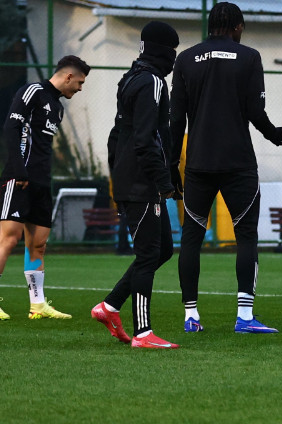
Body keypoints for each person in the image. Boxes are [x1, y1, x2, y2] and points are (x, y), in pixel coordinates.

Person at [171, 2, 282, 334]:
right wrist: (275, 135)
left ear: (210, 26)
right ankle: (245, 317)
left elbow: (175, 119)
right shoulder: (249, 57)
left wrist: (170, 163)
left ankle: (190, 317)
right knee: (246, 236)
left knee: (192, 238)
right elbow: (255, 109)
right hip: (238, 162)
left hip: (197, 163)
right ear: (236, 27)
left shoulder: (185, 59)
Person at [0, 55, 90, 321]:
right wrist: (18, 169)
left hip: (41, 182)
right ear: (68, 76)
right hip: (19, 179)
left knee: (38, 245)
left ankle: (37, 305)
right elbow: (11, 128)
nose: (80, 89)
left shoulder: (58, 107)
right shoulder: (33, 92)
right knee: (9, 238)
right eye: (80, 83)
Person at [91, 22, 180, 349]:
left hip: (131, 178)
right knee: (148, 255)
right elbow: (148, 138)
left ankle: (110, 305)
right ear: (163, 52)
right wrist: (162, 180)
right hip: (143, 181)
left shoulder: (130, 79)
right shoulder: (153, 82)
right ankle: (143, 333)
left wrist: (119, 180)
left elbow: (118, 137)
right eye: (173, 52)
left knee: (164, 250)